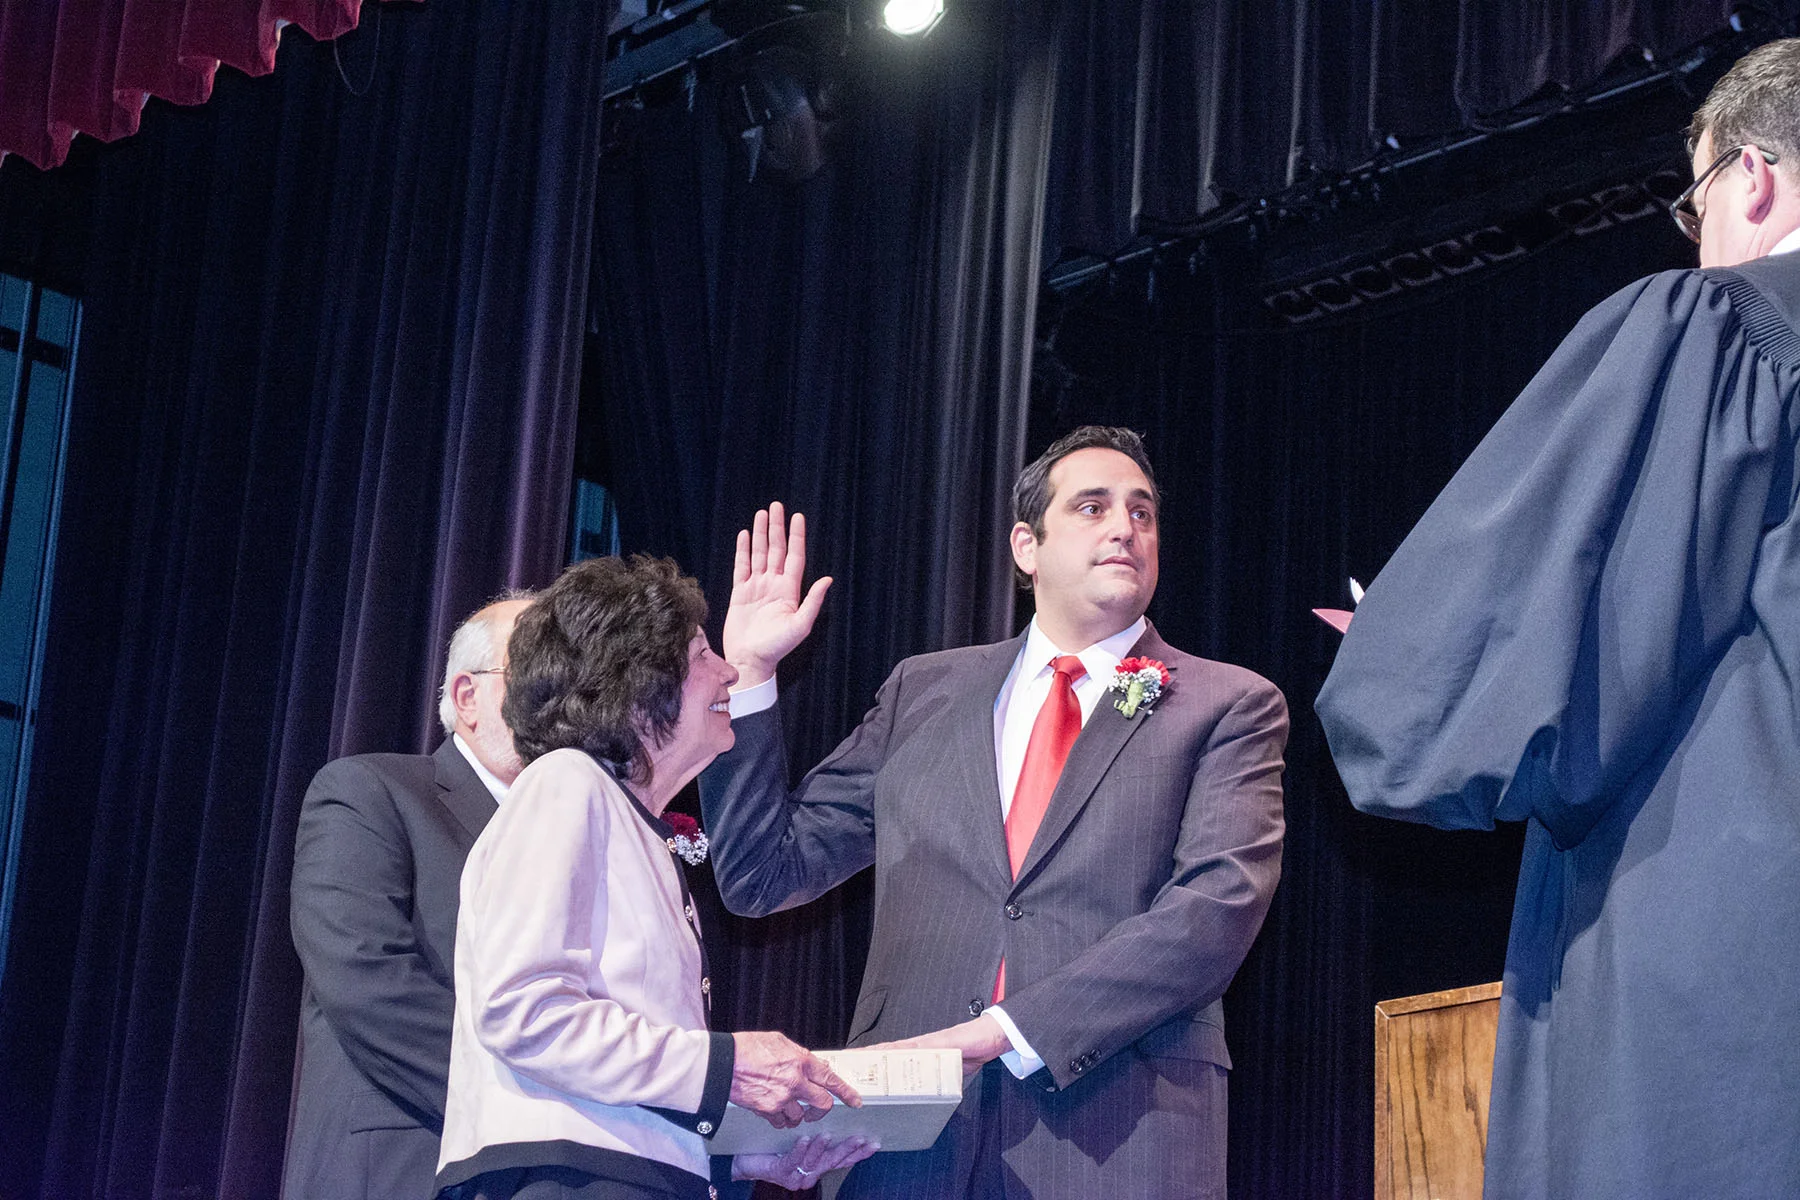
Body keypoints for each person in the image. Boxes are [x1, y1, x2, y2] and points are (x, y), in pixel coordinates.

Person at [1314, 38, 1800, 1200]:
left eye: (1694, 208)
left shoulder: (1717, 330)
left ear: (1752, 179)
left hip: (1719, 938)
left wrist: (1431, 655)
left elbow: (1575, 671)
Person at [699, 427, 1288, 1199]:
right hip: (906, 1145)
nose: (1124, 528)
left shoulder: (1227, 703)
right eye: (1092, 507)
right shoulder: (924, 691)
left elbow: (1215, 911)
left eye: (1142, 513)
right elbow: (761, 874)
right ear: (1026, 546)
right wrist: (748, 673)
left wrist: (1004, 1033)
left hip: (1120, 1132)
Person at [435, 556, 877, 1200]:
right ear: (636, 683)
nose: (727, 670)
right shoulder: (565, 783)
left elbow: (624, 1082)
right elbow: (521, 1010)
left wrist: (741, 1159)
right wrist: (727, 1066)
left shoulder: (634, 826)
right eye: (702, 655)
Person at [286, 593, 534, 1200]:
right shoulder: (369, 791)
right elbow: (367, 981)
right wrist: (547, 1099)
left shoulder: (574, 840)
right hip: (401, 1168)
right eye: (537, 669)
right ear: (466, 697)